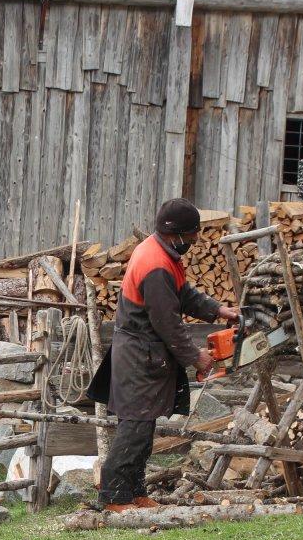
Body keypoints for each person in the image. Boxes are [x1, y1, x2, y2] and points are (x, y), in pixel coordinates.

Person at [98, 198, 240, 512]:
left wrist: (217, 310)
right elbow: (167, 323)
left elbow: (183, 294)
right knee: (135, 427)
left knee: (143, 429)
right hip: (139, 354)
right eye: (191, 235)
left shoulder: (163, 253)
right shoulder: (156, 265)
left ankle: (134, 492)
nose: (195, 240)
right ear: (175, 233)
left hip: (145, 351)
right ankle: (113, 497)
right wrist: (195, 357)